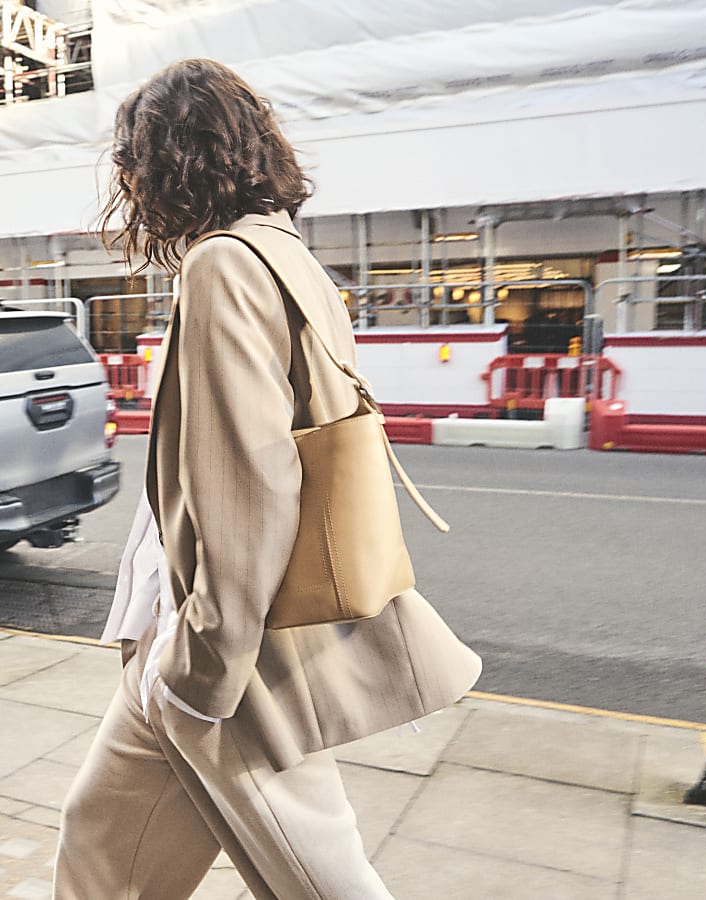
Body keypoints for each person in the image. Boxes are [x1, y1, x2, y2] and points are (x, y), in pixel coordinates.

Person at [53, 58, 481, 899]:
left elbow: (250, 487)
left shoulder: (223, 267)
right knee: (100, 851)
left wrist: (203, 669)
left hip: (230, 655)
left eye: (132, 161)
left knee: (324, 882)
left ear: (167, 160)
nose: (129, 182)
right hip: (187, 635)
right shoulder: (288, 255)